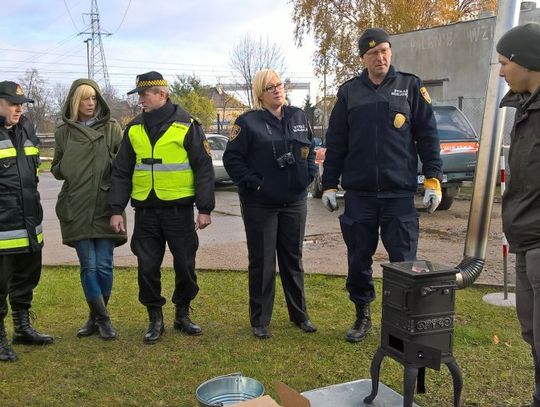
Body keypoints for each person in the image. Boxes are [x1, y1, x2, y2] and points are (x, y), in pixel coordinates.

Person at [321, 28, 443, 343]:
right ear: (363, 58)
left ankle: (401, 324)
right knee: (358, 259)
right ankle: (362, 316)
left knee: (404, 263)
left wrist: (432, 179)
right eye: (374, 53)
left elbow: (428, 136)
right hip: (360, 196)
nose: (381, 57)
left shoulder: (410, 86)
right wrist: (329, 185)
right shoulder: (350, 92)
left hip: (398, 196)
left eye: (386, 50)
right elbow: (336, 142)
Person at [109, 71, 214, 344]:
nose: (140, 100)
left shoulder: (187, 124)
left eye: (144, 95)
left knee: (185, 264)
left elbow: (203, 168)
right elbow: (121, 172)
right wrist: (116, 209)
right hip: (145, 212)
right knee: (146, 267)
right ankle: (155, 318)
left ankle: (182, 313)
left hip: (179, 211)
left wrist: (205, 208)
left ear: (162, 94)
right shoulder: (133, 128)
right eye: (139, 96)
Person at [223, 69, 318, 339]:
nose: (277, 90)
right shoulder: (247, 122)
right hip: (260, 204)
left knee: (293, 260)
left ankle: (299, 315)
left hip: (294, 201)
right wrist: (256, 184)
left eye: (279, 85)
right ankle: (260, 320)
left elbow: (310, 148)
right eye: (270, 87)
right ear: (260, 95)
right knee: (263, 261)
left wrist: (309, 175)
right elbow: (233, 160)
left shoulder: (299, 116)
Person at [51, 79, 127, 340]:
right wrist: (72, 163)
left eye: (94, 98)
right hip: (76, 205)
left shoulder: (112, 128)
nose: (91, 103)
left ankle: (95, 317)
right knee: (89, 265)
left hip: (106, 205)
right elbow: (57, 169)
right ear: (75, 101)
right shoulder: (63, 131)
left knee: (104, 265)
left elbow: (122, 166)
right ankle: (103, 319)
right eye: (85, 98)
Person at [497, 22, 540, 407]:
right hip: (525, 243)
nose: (501, 71)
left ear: (525, 61)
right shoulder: (524, 106)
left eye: (504, 62)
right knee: (531, 332)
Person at [0, 81, 54, 362]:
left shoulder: (26, 130)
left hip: (30, 220)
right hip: (3, 225)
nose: (19, 108)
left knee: (27, 278)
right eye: (12, 103)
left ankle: (22, 328)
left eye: (21, 104)